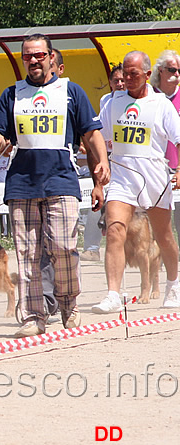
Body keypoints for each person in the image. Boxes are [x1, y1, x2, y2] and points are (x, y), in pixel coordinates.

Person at [0, 33, 110, 338]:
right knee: (27, 254)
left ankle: (69, 304)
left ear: (51, 57)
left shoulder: (71, 92)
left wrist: (101, 164)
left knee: (63, 248)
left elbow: (91, 134)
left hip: (61, 181)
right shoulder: (12, 94)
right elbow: (2, 141)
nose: (34, 61)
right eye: (28, 56)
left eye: (39, 55)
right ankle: (33, 315)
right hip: (22, 184)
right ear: (23, 59)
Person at [92, 51, 180, 314]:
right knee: (115, 229)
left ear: (147, 74)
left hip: (153, 177)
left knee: (164, 237)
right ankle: (113, 294)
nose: (128, 79)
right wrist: (101, 167)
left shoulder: (161, 104)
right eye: (124, 74)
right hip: (121, 176)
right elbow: (96, 134)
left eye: (134, 74)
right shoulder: (112, 103)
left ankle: (173, 284)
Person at [80, 63, 125, 262]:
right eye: (116, 80)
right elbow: (97, 132)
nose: (120, 83)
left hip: (129, 160)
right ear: (110, 83)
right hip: (108, 157)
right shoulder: (105, 101)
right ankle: (91, 247)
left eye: (123, 80)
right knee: (98, 202)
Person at [150, 50, 180, 246]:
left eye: (179, 70)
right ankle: (154, 263)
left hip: (177, 168)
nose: (177, 74)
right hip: (154, 169)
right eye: (172, 70)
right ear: (160, 71)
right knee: (157, 222)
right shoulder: (148, 96)